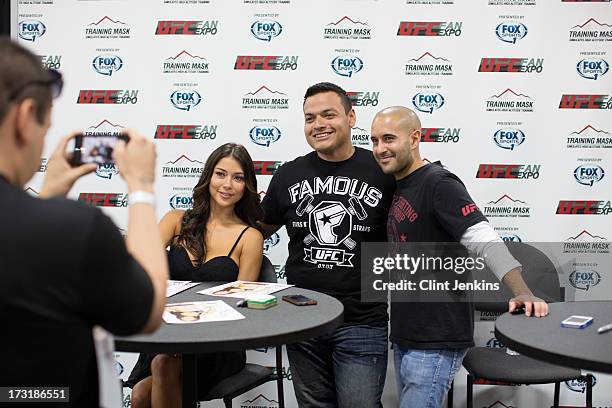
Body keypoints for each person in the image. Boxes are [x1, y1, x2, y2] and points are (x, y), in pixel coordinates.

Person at [0, 39, 168, 407]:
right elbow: (150, 309)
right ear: (26, 118)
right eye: (46, 125)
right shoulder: (75, 230)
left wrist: (48, 197)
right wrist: (140, 189)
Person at [370, 106, 549, 408]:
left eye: (389, 138)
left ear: (415, 138)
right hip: (407, 333)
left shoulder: (439, 184)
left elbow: (485, 240)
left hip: (436, 338)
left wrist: (523, 291)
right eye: (374, 140)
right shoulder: (401, 185)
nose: (380, 148)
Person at [261, 82, 396, 407]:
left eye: (328, 114)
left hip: (361, 319)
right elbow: (255, 233)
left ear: (351, 117)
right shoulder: (289, 174)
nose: (318, 124)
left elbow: (417, 228)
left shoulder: (383, 171)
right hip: (302, 317)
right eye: (310, 118)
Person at [128, 143, 264, 408]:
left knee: (164, 366)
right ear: (208, 177)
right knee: (140, 394)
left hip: (218, 344)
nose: (227, 184)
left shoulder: (251, 238)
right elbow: (139, 269)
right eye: (220, 174)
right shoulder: (175, 220)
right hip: (167, 335)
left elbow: (243, 307)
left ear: (246, 185)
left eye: (237, 178)